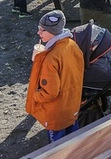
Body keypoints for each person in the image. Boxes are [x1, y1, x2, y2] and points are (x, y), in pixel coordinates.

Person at [26, 10, 84, 143]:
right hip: (71, 106)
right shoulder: (72, 45)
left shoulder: (51, 58)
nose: (38, 33)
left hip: (56, 113)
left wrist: (34, 95)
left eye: (42, 30)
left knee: (57, 146)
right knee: (73, 141)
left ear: (53, 32)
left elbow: (50, 92)